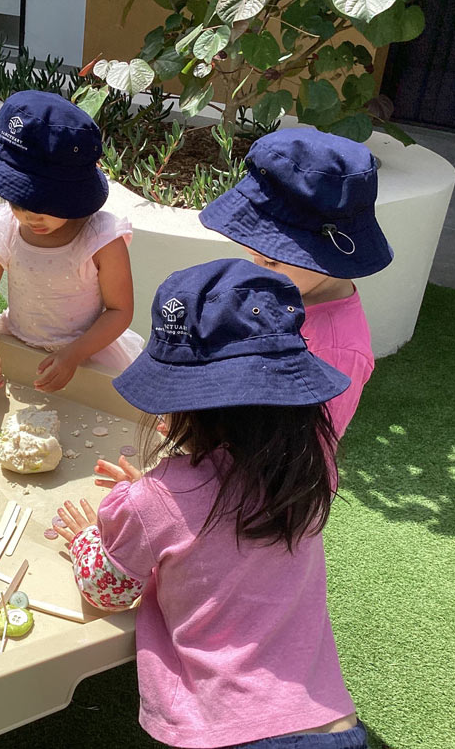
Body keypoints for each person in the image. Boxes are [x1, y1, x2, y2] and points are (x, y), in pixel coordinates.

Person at [52, 258, 369, 748]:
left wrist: (87, 539)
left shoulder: (153, 500)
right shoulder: (307, 477)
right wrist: (167, 499)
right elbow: (220, 525)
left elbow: (107, 590)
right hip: (333, 729)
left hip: (228, 734)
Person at [199, 128, 393, 438]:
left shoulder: (335, 350)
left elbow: (307, 455)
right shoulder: (288, 289)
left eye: (272, 260)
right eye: (253, 256)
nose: (258, 270)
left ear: (328, 253)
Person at [0, 90, 144, 393]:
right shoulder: (4, 226)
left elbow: (119, 310)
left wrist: (74, 354)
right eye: (19, 203)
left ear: (73, 196)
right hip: (15, 339)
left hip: (87, 352)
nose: (31, 218)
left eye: (45, 205)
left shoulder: (100, 239)